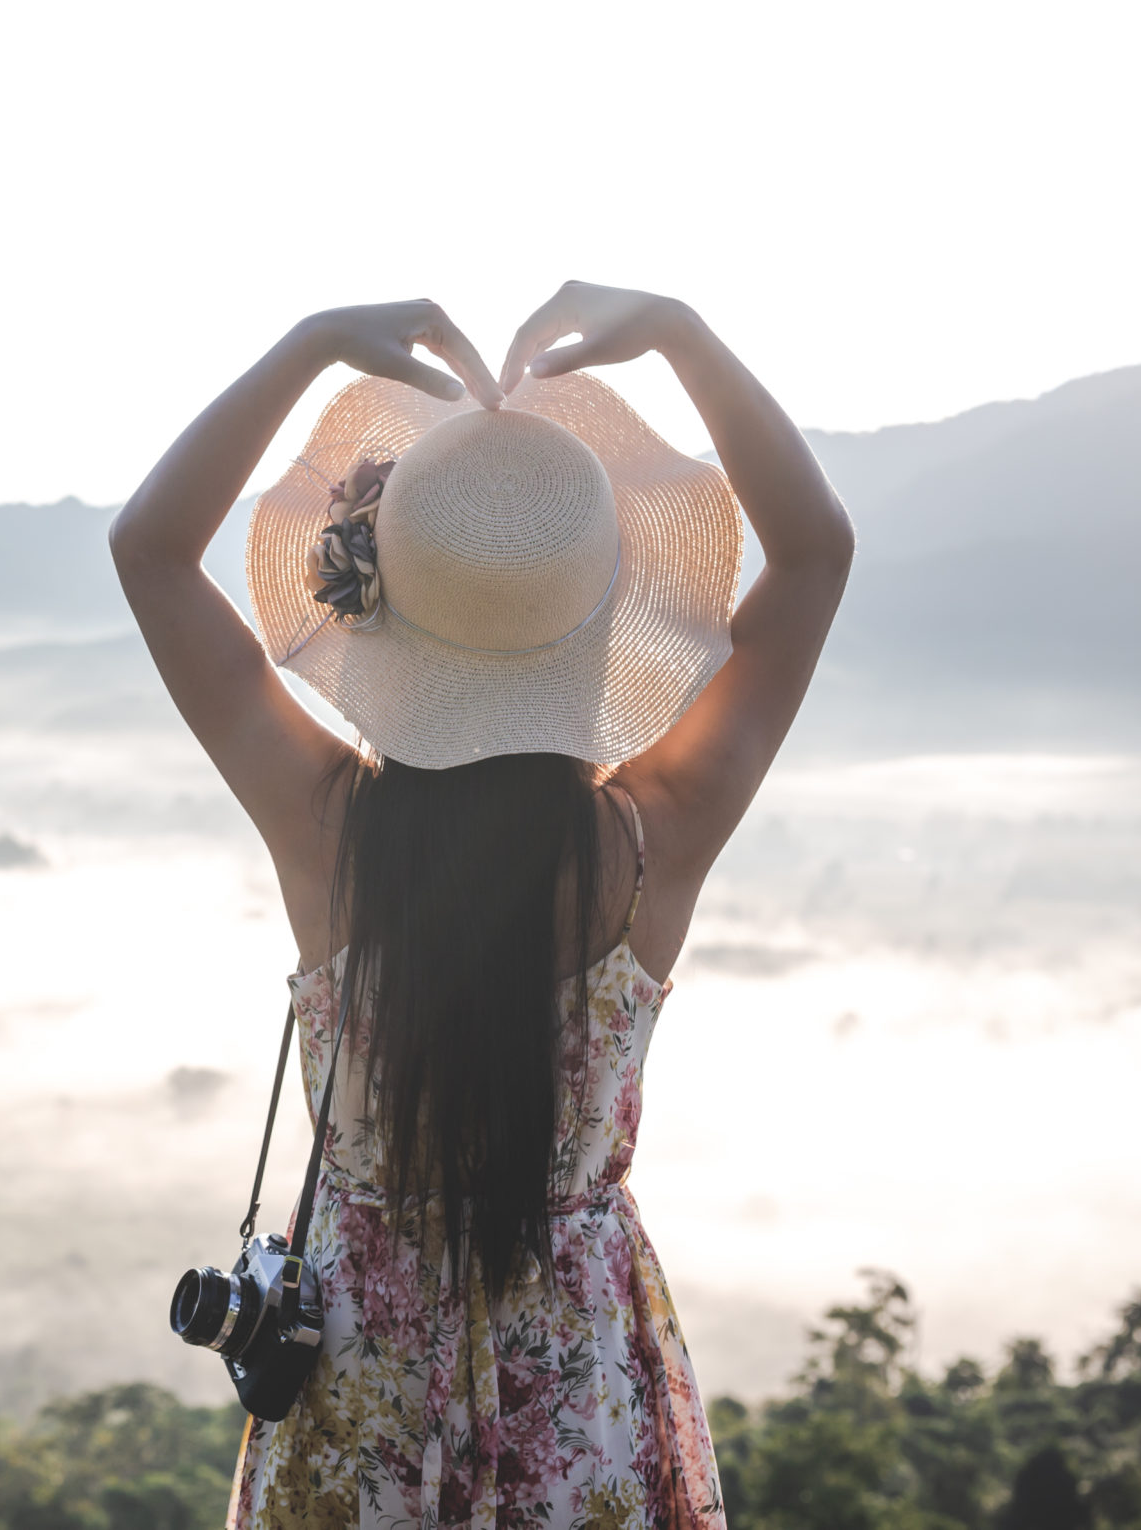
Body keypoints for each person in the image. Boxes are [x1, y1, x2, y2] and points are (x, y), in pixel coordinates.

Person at [109, 283, 853, 1530]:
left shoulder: (326, 828)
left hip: (357, 1397)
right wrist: (676, 330)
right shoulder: (647, 845)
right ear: (600, 614)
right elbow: (817, 553)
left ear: (382, 604)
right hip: (582, 1398)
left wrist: (308, 347)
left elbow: (148, 551)